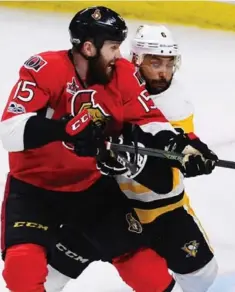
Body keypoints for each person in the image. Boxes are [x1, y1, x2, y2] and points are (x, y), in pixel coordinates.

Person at [0, 6, 216, 292]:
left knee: (147, 271)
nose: (118, 55)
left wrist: (179, 146)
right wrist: (63, 129)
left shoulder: (122, 74)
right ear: (89, 48)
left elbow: (149, 119)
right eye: (113, 47)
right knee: (22, 271)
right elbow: (9, 132)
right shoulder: (45, 68)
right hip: (34, 191)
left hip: (91, 188)